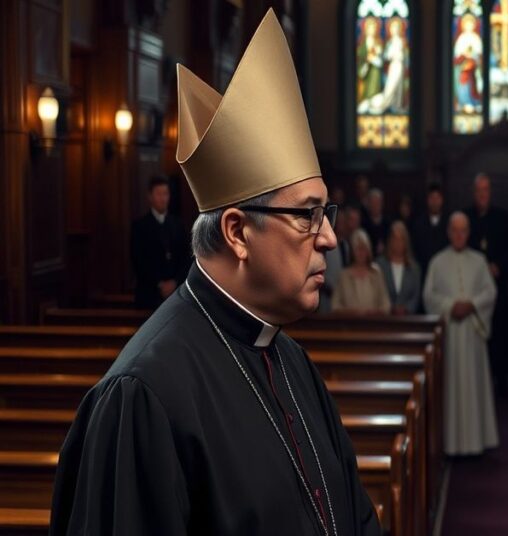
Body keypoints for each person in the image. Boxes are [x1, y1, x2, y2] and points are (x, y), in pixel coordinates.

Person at [50, 11, 380, 535]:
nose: (330, 238)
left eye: (327, 213)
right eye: (307, 215)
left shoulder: (289, 357)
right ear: (237, 232)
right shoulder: (143, 396)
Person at [423, 212, 500, 455]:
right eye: (455, 230)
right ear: (448, 232)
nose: (459, 235)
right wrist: (449, 307)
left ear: (468, 233)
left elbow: (490, 292)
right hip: (451, 337)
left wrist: (472, 304)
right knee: (452, 389)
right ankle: (452, 445)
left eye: (463, 230)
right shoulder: (437, 261)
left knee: (474, 387)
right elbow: (429, 297)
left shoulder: (479, 260)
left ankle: (477, 442)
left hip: (473, 334)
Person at [465, 173, 508, 395]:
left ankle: (501, 378)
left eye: (485, 190)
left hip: (496, 285)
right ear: (474, 193)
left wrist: (498, 266)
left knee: (500, 333)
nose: (482, 194)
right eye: (478, 190)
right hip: (474, 288)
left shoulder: (501, 217)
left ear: (490, 192)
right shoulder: (466, 218)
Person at [129, 175, 190, 309]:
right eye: (159, 194)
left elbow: (186, 258)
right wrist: (159, 284)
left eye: (166, 194)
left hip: (177, 294)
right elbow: (138, 261)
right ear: (150, 196)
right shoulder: (140, 226)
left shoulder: (178, 225)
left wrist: (174, 282)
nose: (163, 198)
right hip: (149, 295)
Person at [332, 229, 390, 314]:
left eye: (363, 248)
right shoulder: (344, 275)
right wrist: (352, 313)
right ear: (352, 252)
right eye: (358, 249)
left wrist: (372, 313)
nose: (361, 253)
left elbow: (386, 305)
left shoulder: (376, 273)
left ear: (368, 250)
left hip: (373, 324)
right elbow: (335, 306)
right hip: (349, 324)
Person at [377, 221, 421, 315]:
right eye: (395, 238)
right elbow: (376, 293)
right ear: (390, 241)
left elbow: (416, 296)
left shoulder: (414, 268)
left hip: (408, 319)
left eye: (401, 239)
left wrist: (406, 309)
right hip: (384, 318)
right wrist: (391, 308)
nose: (398, 242)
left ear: (406, 242)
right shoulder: (380, 266)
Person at [411, 181, 449, 278]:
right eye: (432, 198)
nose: (435, 202)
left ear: (441, 200)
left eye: (437, 198)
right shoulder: (418, 224)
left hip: (445, 272)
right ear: (428, 200)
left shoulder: (449, 224)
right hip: (424, 272)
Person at [363, 188, 389, 256]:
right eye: (373, 203)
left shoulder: (388, 223)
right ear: (368, 204)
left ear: (382, 203)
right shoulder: (363, 224)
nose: (375, 206)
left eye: (377, 202)